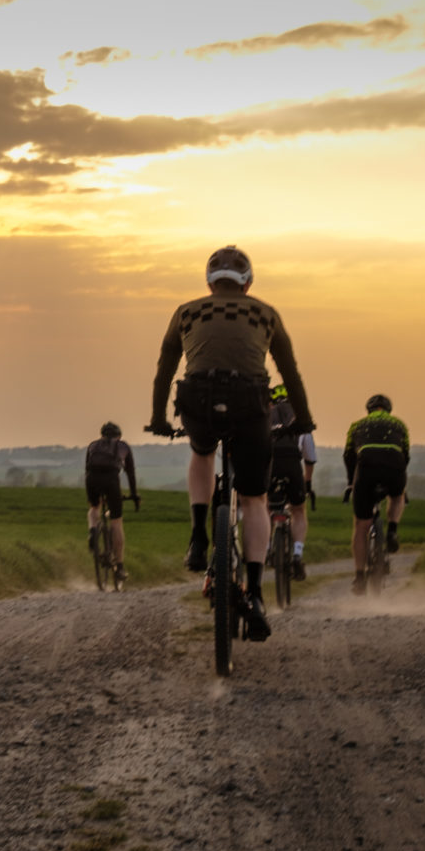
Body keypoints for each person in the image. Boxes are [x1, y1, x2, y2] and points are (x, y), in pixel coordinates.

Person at [148, 245, 314, 641]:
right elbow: (290, 374)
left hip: (197, 398)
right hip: (249, 400)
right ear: (248, 282)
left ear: (209, 282)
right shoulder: (265, 313)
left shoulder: (186, 311)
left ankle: (198, 538)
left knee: (202, 452)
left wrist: (157, 418)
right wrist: (303, 418)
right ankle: (255, 592)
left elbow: (164, 370)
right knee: (254, 499)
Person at [343, 393, 410, 595]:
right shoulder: (400, 424)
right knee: (398, 496)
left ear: (368, 410)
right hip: (394, 467)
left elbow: (348, 456)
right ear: (388, 410)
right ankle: (392, 530)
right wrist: (398, 481)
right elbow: (405, 455)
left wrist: (351, 482)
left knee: (361, 525)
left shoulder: (357, 426)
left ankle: (360, 577)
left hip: (367, 469)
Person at [84, 421, 140, 586]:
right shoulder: (123, 446)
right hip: (111, 480)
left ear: (102, 434)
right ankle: (120, 566)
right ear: (119, 435)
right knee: (116, 521)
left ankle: (93, 530)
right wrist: (134, 495)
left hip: (92, 479)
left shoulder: (93, 445)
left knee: (94, 507)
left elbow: (87, 468)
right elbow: (130, 474)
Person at [267, 383, 314, 579]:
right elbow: (310, 457)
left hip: (269, 465)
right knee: (298, 510)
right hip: (293, 466)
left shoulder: (264, 417)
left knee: (264, 506)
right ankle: (297, 553)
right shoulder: (300, 420)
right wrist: (307, 483)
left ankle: (268, 548)